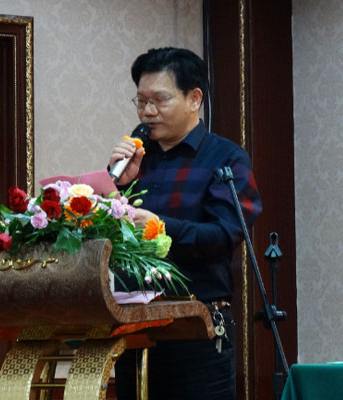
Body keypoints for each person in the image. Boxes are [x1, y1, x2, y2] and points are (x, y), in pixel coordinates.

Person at [108, 47, 262, 400]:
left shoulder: (227, 159)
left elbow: (225, 234)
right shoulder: (135, 159)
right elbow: (111, 240)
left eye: (159, 100)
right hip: (133, 330)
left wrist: (161, 228)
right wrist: (117, 186)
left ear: (194, 99)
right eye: (141, 101)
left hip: (197, 331)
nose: (147, 111)